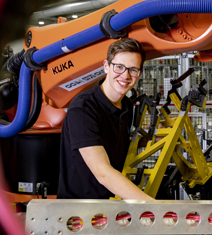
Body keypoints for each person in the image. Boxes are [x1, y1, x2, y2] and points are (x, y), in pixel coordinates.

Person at [58, 37, 154, 200]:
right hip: (78, 208)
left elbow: (111, 142)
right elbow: (102, 172)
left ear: (139, 73)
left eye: (133, 70)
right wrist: (152, 206)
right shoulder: (83, 108)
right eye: (119, 67)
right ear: (106, 67)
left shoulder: (126, 105)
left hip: (110, 203)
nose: (125, 76)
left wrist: (149, 142)